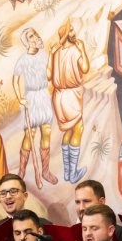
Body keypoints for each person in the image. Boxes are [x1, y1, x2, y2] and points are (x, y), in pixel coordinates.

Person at [13, 26, 58, 187]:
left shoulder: (43, 55)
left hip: (43, 96)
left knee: (46, 132)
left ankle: (45, 171)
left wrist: (52, 55)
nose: (36, 37)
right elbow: (15, 80)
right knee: (29, 135)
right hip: (31, 98)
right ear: (26, 42)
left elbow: (49, 74)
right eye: (31, 36)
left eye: (35, 34)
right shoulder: (23, 59)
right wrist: (20, 98)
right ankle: (22, 171)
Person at [50, 18, 90, 183]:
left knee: (68, 130)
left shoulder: (57, 52)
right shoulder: (74, 50)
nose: (74, 33)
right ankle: (72, 174)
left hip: (59, 96)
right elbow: (85, 68)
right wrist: (83, 49)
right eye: (71, 31)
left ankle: (68, 173)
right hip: (71, 95)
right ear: (66, 35)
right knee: (78, 129)